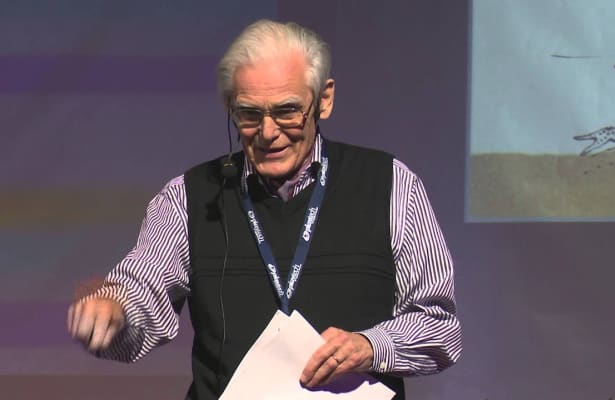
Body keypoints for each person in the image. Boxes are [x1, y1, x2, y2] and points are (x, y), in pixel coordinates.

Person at [67, 19, 462, 399]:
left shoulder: (390, 185)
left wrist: (370, 346)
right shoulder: (189, 197)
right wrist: (113, 312)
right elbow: (141, 291)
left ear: (324, 100)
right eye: (250, 114)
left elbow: (440, 328)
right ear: (230, 108)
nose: (268, 132)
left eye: (287, 111)